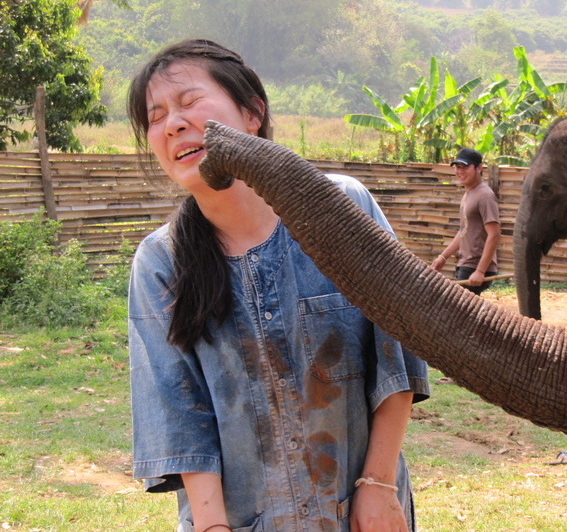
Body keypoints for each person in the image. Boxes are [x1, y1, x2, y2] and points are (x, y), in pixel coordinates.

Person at [126, 39, 429, 532]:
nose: (172, 125)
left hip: (360, 511)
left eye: (188, 101)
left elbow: (396, 354)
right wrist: (212, 527)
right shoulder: (160, 262)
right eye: (154, 117)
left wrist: (377, 484)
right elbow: (179, 415)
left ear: (252, 114)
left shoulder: (341, 206)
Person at [431, 148, 500, 295]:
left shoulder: (485, 196)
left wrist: (480, 270)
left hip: (475, 266)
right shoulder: (469, 194)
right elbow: (464, 231)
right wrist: (443, 257)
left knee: (456, 307)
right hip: (467, 264)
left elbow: (494, 234)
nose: (460, 171)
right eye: (457, 167)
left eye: (465, 167)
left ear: (479, 168)